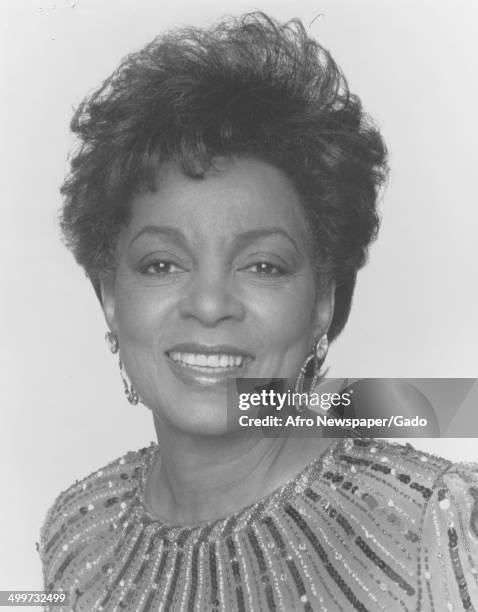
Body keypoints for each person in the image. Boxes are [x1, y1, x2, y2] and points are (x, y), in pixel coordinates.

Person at [38, 12, 478, 612]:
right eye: (162, 264)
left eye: (263, 265)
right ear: (110, 296)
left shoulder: (437, 523)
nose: (211, 304)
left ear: (323, 300)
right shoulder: (75, 534)